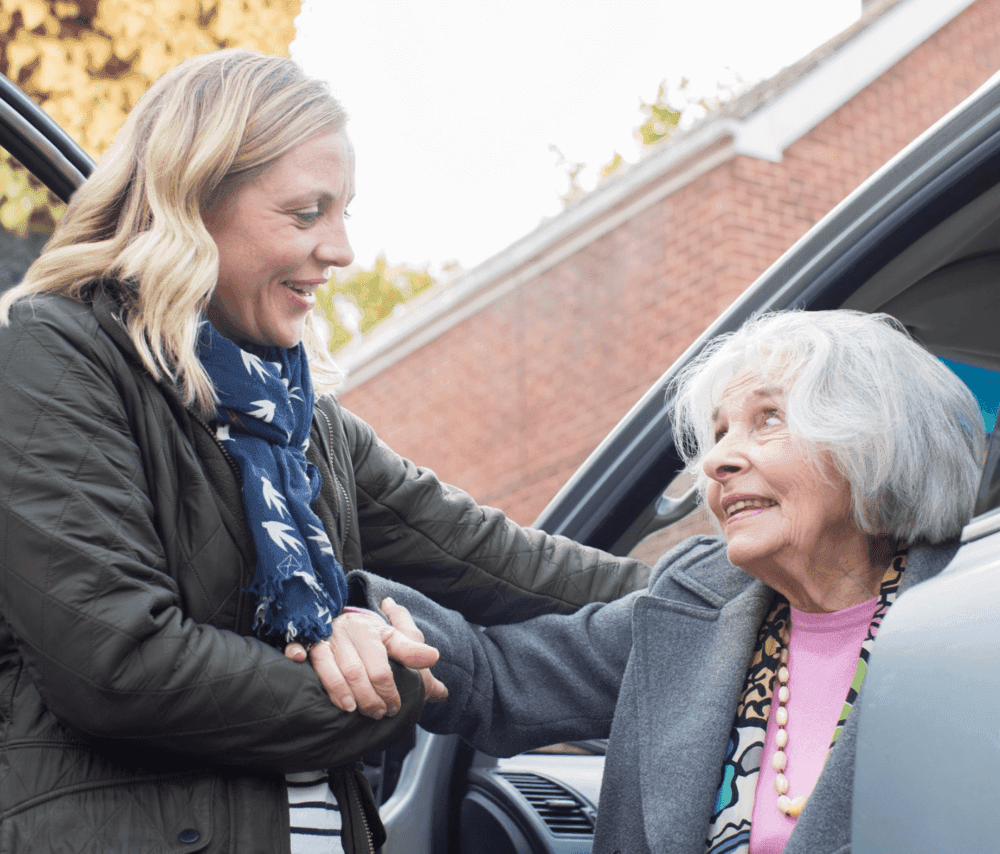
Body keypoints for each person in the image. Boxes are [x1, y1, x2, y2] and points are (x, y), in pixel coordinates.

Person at [0, 50, 648, 854]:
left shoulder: (301, 423)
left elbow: (503, 565)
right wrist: (395, 682)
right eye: (307, 213)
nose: (340, 249)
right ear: (193, 203)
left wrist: (741, 590)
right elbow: (119, 664)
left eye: (345, 213)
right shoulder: (56, 354)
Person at [353, 309, 987, 854]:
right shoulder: (697, 602)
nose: (717, 460)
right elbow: (497, 680)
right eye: (718, 433)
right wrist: (361, 621)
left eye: (768, 419)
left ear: (874, 445)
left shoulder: (968, 614)